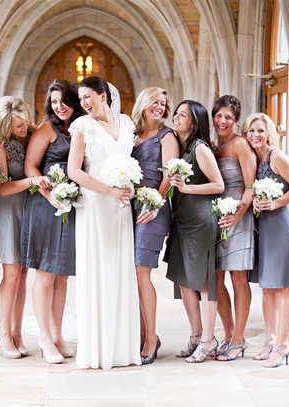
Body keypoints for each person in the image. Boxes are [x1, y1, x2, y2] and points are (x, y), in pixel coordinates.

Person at [67, 76, 143, 369]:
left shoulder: (126, 123)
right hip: (95, 203)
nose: (84, 103)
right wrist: (109, 190)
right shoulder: (82, 126)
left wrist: (130, 185)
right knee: (96, 269)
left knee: (120, 270)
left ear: (103, 96)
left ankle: (122, 348)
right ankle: (97, 349)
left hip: (121, 206)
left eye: (88, 97)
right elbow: (74, 171)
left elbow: (131, 161)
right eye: (81, 98)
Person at [21, 80, 82, 363]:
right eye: (54, 102)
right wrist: (50, 195)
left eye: (64, 101)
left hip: (69, 207)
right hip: (45, 206)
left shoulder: (81, 129)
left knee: (62, 274)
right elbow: (30, 166)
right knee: (45, 274)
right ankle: (44, 337)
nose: (59, 107)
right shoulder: (46, 129)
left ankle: (58, 334)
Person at [164, 100, 225, 363]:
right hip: (181, 219)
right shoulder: (180, 148)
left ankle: (210, 339)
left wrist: (188, 189)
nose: (176, 117)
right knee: (183, 279)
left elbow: (218, 185)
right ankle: (196, 335)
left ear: (195, 121)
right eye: (175, 113)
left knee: (202, 281)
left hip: (200, 221)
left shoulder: (200, 149)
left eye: (182, 115)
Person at [246, 113, 289, 368]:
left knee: (283, 288)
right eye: (251, 131)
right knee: (267, 287)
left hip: (281, 226)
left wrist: (275, 202)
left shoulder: (277, 156)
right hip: (264, 227)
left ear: (269, 132)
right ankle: (270, 340)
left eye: (260, 130)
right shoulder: (254, 158)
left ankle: (284, 345)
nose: (255, 135)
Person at [0, 96, 45, 359]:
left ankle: (18, 331)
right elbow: (2, 186)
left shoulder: (32, 133)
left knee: (23, 273)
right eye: (18, 125)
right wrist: (32, 179)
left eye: (25, 121)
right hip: (8, 209)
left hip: (29, 207)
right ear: (4, 124)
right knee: (11, 273)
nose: (24, 128)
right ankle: (3, 333)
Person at [129, 86, 177, 364]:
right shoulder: (132, 136)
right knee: (132, 274)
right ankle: (140, 332)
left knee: (141, 272)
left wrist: (154, 203)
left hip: (153, 208)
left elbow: (169, 176)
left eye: (163, 103)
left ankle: (151, 338)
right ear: (144, 103)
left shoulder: (166, 135)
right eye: (155, 102)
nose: (159, 107)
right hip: (129, 208)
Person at [212, 96, 257, 361]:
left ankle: (239, 340)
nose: (222, 121)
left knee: (238, 278)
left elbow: (250, 186)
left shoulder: (241, 144)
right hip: (217, 219)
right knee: (216, 280)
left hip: (239, 219)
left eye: (228, 117)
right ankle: (228, 333)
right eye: (219, 115)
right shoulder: (214, 145)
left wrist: (237, 215)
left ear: (236, 121)